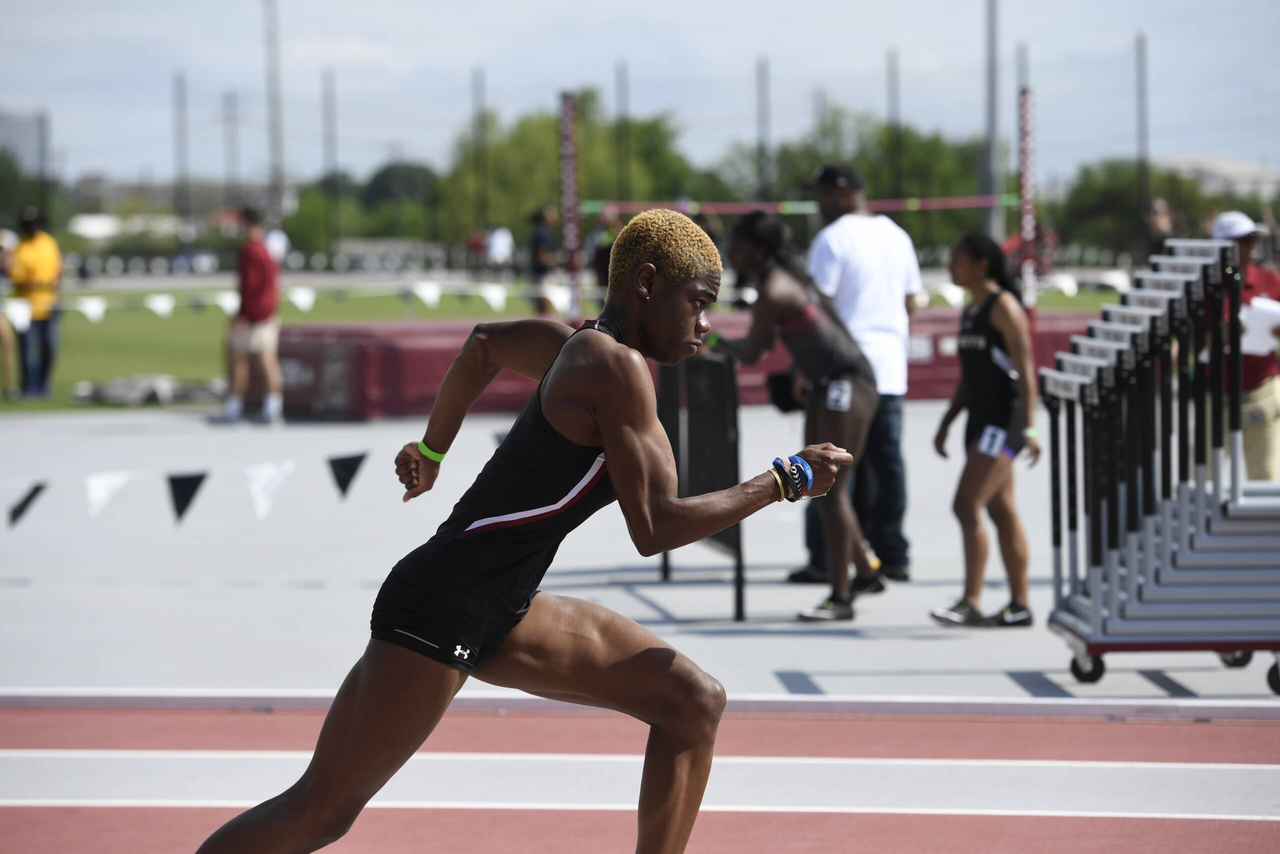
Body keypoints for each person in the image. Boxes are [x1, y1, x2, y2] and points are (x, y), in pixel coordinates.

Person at [193, 209, 853, 854]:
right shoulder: (613, 367)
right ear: (647, 283)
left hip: (504, 608)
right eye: (698, 303)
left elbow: (483, 345)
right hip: (443, 607)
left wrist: (433, 449)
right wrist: (784, 479)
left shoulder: (572, 345)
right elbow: (654, 527)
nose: (706, 324)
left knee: (692, 702)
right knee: (319, 812)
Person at [713, 211, 880, 621]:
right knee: (817, 484)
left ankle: (841, 598)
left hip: (846, 382)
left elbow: (752, 353)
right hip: (828, 382)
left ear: (757, 250)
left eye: (736, 244)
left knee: (831, 492)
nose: (730, 251)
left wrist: (709, 341)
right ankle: (865, 571)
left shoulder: (775, 288)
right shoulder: (787, 278)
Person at [795, 163, 922, 583]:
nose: (818, 203)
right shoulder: (898, 235)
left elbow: (816, 311)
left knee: (828, 464)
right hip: (888, 370)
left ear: (845, 192)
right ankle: (893, 553)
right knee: (886, 464)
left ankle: (825, 558)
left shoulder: (832, 239)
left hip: (846, 374)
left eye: (823, 194)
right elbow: (911, 303)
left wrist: (805, 365)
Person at [929, 233, 1040, 628]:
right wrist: (947, 421)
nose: (950, 267)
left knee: (966, 504)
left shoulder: (1004, 307)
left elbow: (1027, 370)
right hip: (978, 421)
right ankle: (1020, 605)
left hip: (1003, 422)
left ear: (982, 265)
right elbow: (970, 376)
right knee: (1001, 510)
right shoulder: (970, 309)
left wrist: (1030, 429)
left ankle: (971, 602)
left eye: (957, 260)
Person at [1212, 211, 1280, 481]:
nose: (1252, 246)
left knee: (1266, 477)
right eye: (1244, 240)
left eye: (1253, 239)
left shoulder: (1269, 279)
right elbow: (1193, 336)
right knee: (1208, 480)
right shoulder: (1207, 285)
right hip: (1216, 392)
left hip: (1261, 388)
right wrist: (1220, 332)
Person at [216, 207, 283, 424]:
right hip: (267, 312)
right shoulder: (268, 249)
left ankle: (234, 408)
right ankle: (272, 408)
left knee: (238, 361)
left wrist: (243, 314)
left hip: (253, 314)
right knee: (267, 362)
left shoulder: (251, 250)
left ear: (245, 223)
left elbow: (250, 286)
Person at [8, 207, 62, 398]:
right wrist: (37, 285)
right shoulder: (19, 247)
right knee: (27, 350)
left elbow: (58, 271)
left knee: (49, 347)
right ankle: (29, 386)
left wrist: (57, 294)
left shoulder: (49, 242)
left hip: (48, 303)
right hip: (25, 306)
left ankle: (43, 385)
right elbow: (16, 277)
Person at [529, 206, 559, 315]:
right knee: (545, 311)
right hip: (543, 275)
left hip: (540, 274)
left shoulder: (543, 231)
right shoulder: (543, 233)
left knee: (541, 310)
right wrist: (556, 260)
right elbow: (542, 257)